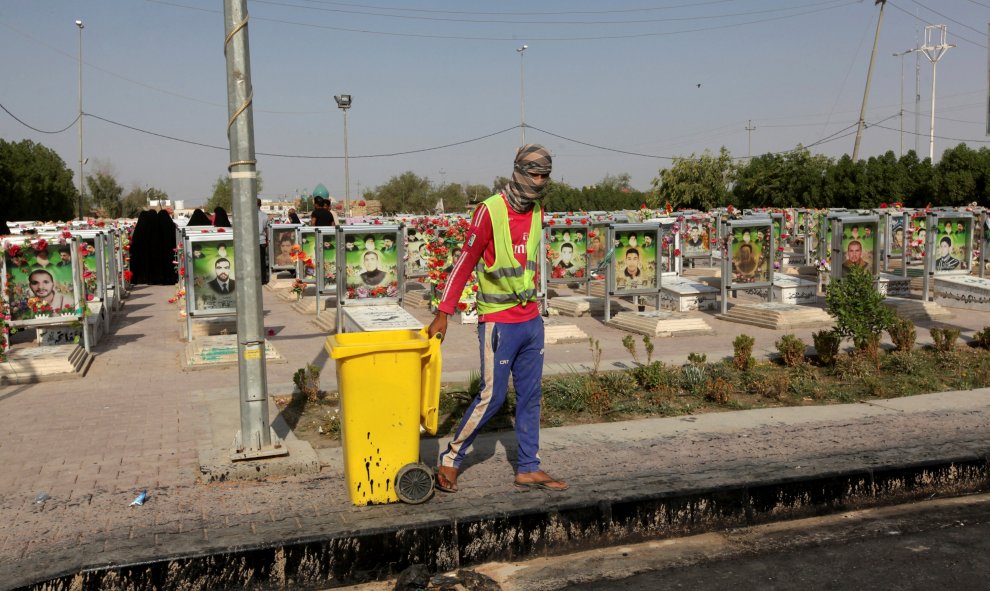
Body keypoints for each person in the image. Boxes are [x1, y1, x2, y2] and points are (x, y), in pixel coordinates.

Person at [429, 143, 567, 493]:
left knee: (531, 395)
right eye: (533, 174)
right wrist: (443, 312)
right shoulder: (489, 211)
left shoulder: (537, 211)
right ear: (518, 171)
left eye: (545, 176)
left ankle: (528, 466)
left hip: (531, 320)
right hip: (499, 322)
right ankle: (451, 458)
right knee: (491, 396)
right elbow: (465, 261)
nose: (538, 181)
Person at [258, 198, 270, 284]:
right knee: (262, 261)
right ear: (260, 205)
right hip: (261, 240)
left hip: (251, 242)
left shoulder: (248, 215)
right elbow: (266, 229)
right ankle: (263, 279)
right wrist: (267, 240)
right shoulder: (264, 216)